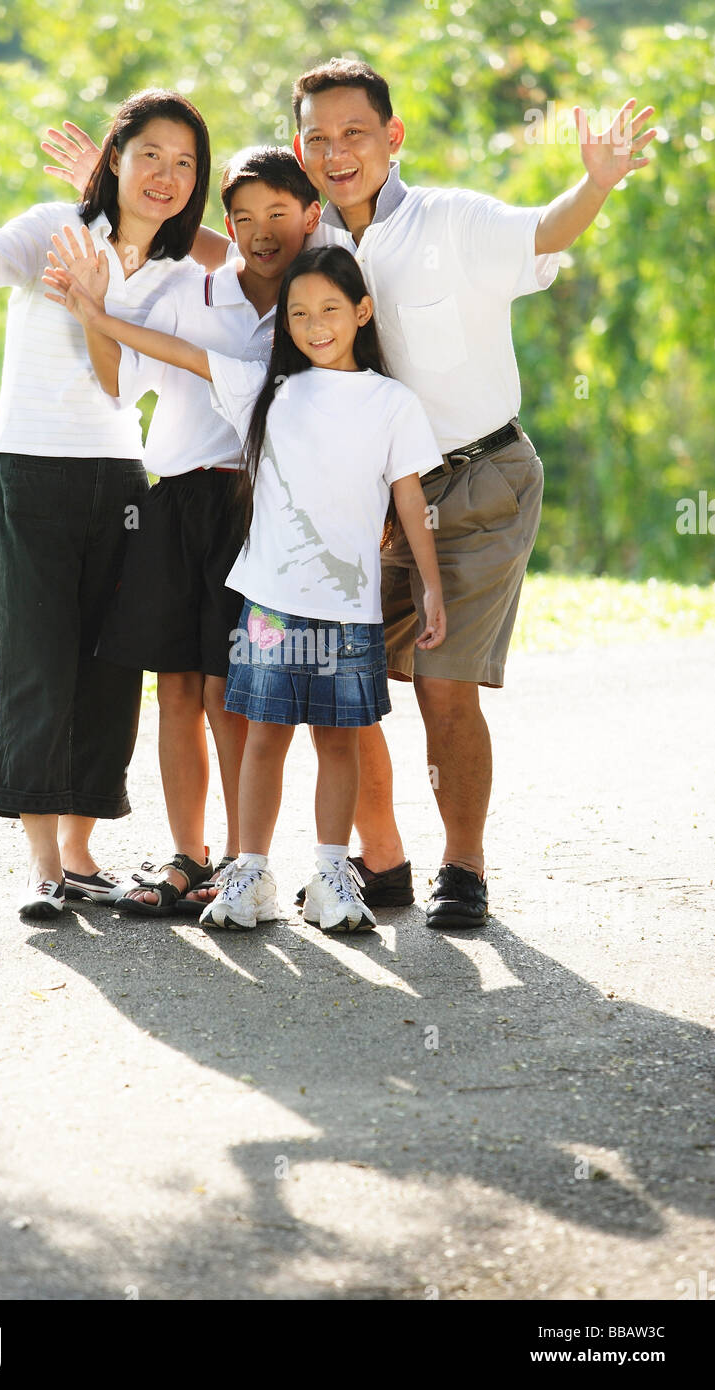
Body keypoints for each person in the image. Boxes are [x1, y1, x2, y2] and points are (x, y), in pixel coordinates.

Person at [289, 58, 657, 929]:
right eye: (318, 138)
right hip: (363, 496)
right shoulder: (313, 248)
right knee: (335, 678)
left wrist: (593, 182)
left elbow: (546, 231)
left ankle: (464, 868)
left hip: (478, 477)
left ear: (393, 137)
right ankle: (381, 864)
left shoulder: (453, 221)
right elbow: (230, 246)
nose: (336, 152)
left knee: (443, 685)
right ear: (300, 149)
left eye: (354, 134)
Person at [0, 91, 228, 919]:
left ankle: (80, 851)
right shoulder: (54, 229)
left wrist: (129, 227)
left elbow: (254, 252)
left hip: (121, 480)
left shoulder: (181, 273)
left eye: (185, 163)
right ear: (115, 154)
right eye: (148, 154)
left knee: (110, 670)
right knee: (36, 661)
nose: (166, 175)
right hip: (29, 471)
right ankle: (42, 866)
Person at [42, 244, 447, 932]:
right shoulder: (266, 390)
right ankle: (250, 873)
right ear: (283, 325)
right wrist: (94, 312)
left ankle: (329, 876)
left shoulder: (392, 402)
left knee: (338, 740)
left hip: (347, 607)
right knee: (263, 737)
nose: (315, 324)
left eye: (328, 309)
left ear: (361, 312)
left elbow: (409, 500)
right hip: (268, 605)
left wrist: (431, 588)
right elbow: (176, 351)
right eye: (297, 313)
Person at [55, 148, 322, 917]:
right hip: (170, 502)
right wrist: (94, 314)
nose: (260, 232)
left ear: (306, 217)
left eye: (278, 214)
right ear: (226, 225)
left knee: (228, 689)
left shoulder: (315, 303)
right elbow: (118, 383)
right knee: (175, 687)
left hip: (252, 509)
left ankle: (244, 864)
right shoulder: (189, 289)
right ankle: (188, 856)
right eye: (243, 218)